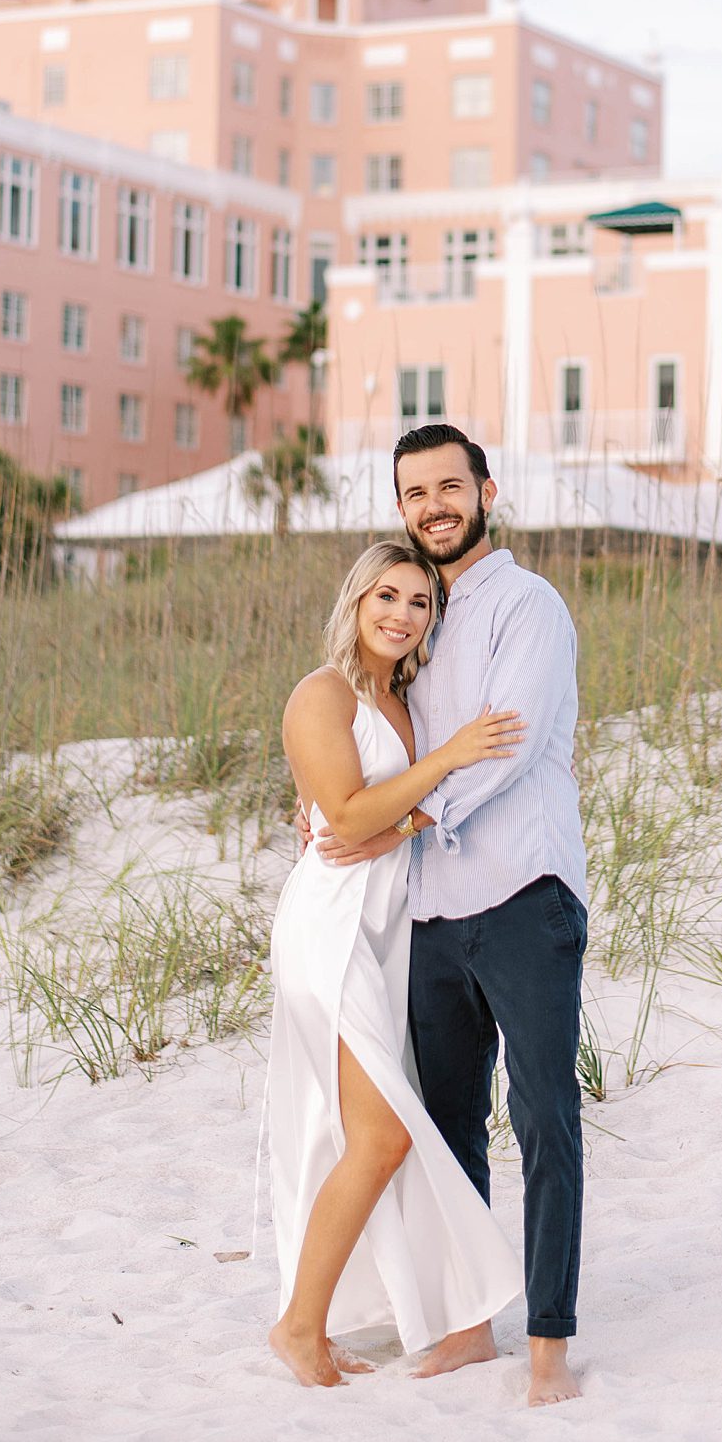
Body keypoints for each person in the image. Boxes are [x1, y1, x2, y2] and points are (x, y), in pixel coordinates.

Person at [316, 425, 588, 1408]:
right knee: (445, 1126)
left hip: (523, 892)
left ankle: (549, 1339)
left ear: (485, 488)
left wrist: (410, 819)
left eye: (448, 486)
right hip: (431, 908)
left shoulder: (528, 604)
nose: (433, 505)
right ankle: (471, 1327)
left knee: (545, 1114)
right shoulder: (415, 618)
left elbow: (507, 746)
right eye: (413, 493)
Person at [266, 540, 526, 1389]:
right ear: (356, 599)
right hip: (333, 927)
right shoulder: (324, 693)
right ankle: (299, 1328)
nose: (401, 615)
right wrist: (442, 766)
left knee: (350, 1131)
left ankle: (329, 1317)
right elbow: (342, 817)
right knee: (378, 1135)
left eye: (419, 603)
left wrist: (403, 818)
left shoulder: (403, 698)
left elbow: (386, 815)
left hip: (390, 929)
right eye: (387, 595)